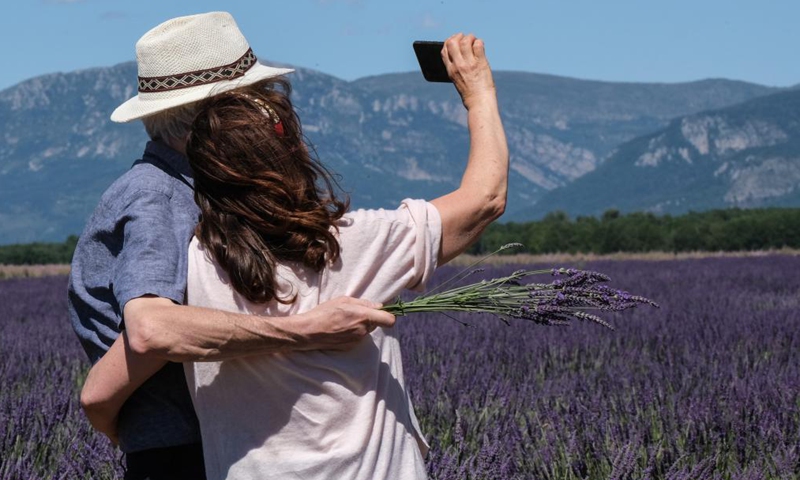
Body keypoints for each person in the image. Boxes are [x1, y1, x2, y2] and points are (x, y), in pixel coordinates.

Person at [84, 26, 508, 478]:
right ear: (293, 155)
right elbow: (485, 199)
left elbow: (101, 388)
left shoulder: (193, 262)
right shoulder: (354, 244)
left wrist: (126, 428)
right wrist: (478, 92)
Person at [70, 12, 395, 480]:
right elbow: (150, 331)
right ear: (210, 118)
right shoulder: (158, 197)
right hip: (183, 450)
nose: (263, 116)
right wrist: (308, 330)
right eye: (250, 104)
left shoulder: (183, 188)